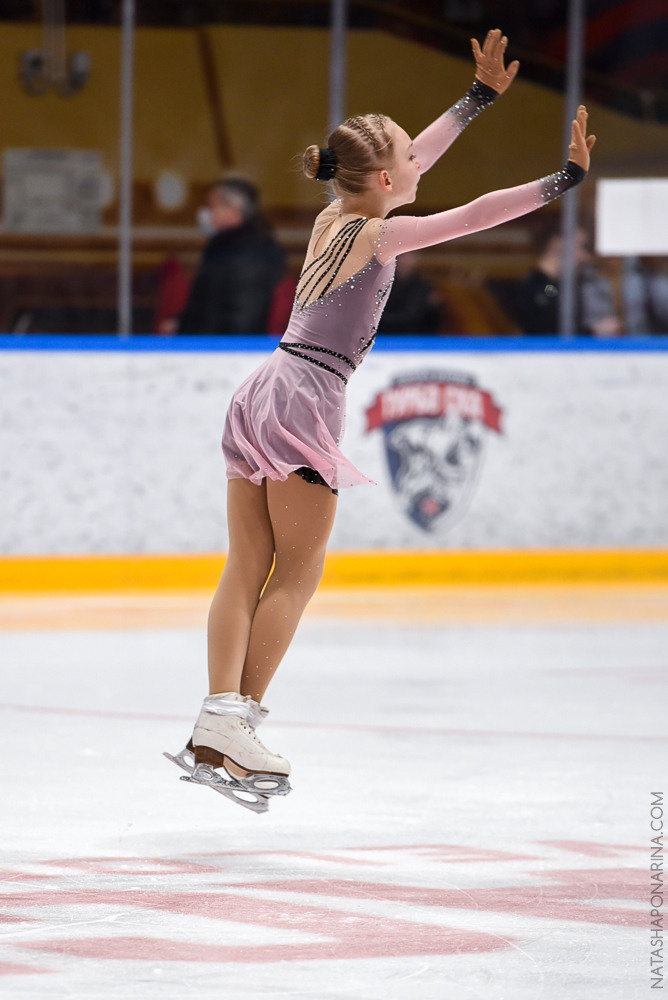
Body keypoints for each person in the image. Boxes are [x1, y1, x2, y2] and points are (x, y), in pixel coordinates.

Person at [165, 29, 595, 812]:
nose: (419, 162)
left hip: (264, 386)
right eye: (408, 157)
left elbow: (418, 157)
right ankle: (240, 721)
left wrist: (477, 100)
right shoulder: (381, 231)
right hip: (305, 396)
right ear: (387, 177)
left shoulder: (340, 211)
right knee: (296, 571)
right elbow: (469, 216)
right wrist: (560, 180)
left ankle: (214, 720)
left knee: (244, 564)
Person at [166, 177, 286, 335]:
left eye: (212, 207)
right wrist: (181, 324)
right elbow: (205, 305)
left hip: (226, 352)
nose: (206, 214)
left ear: (234, 212)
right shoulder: (220, 250)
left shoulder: (252, 257)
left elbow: (242, 321)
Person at [515, 219, 621, 336]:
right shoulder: (539, 287)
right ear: (557, 243)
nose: (584, 257)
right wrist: (593, 332)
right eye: (579, 246)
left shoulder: (554, 287)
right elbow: (549, 332)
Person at [376, 251, 444, 334]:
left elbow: (413, 316)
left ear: (416, 259)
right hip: (383, 336)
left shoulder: (423, 286)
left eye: (409, 257)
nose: (405, 262)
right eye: (402, 257)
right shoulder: (380, 285)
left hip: (414, 337)